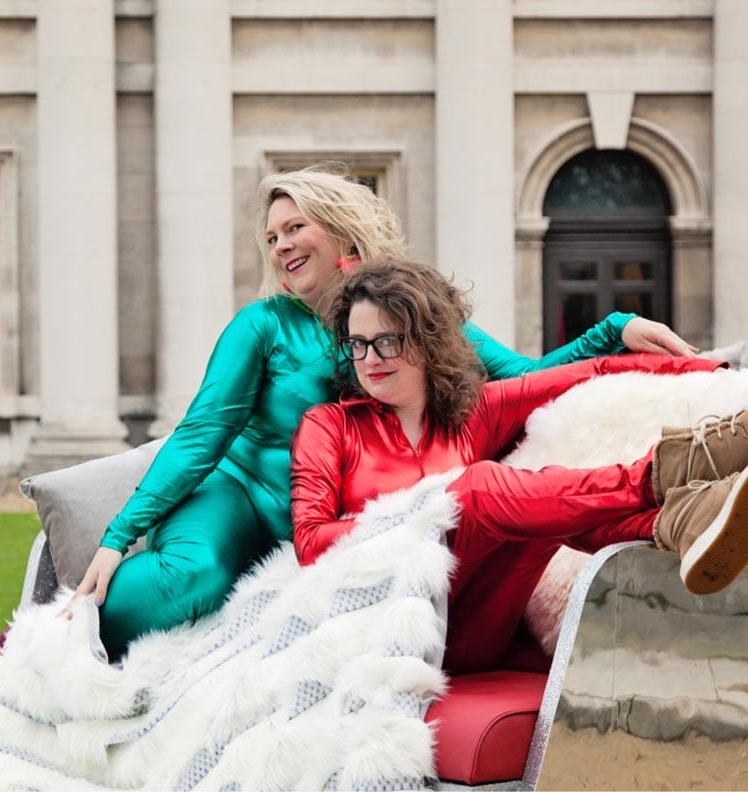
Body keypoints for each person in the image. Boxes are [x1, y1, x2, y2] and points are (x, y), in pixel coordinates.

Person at [68, 165, 700, 659]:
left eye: (295, 228)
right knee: (195, 576)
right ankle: (65, 634)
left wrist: (615, 330)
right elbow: (203, 432)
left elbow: (525, 379)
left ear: (340, 229)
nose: (281, 245)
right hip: (238, 495)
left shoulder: (406, 314)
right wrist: (119, 535)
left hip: (325, 523)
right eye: (272, 237)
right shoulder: (262, 325)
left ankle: (677, 507)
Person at [290, 259, 748, 673]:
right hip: (386, 631)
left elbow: (590, 371)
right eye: (357, 344)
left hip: (473, 624)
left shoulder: (474, 414)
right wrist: (428, 513)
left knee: (534, 512)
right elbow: (312, 543)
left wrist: (715, 372)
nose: (369, 359)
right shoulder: (329, 426)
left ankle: (681, 521)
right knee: (475, 489)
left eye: (386, 341)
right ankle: (676, 471)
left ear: (425, 341)